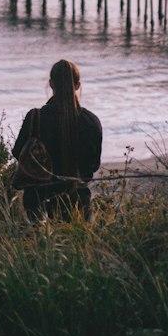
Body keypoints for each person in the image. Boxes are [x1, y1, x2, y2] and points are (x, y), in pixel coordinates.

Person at [12, 58, 102, 221]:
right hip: (79, 204)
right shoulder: (91, 121)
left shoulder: (35, 118)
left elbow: (18, 153)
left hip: (39, 203)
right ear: (77, 85)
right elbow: (93, 165)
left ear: (51, 84)